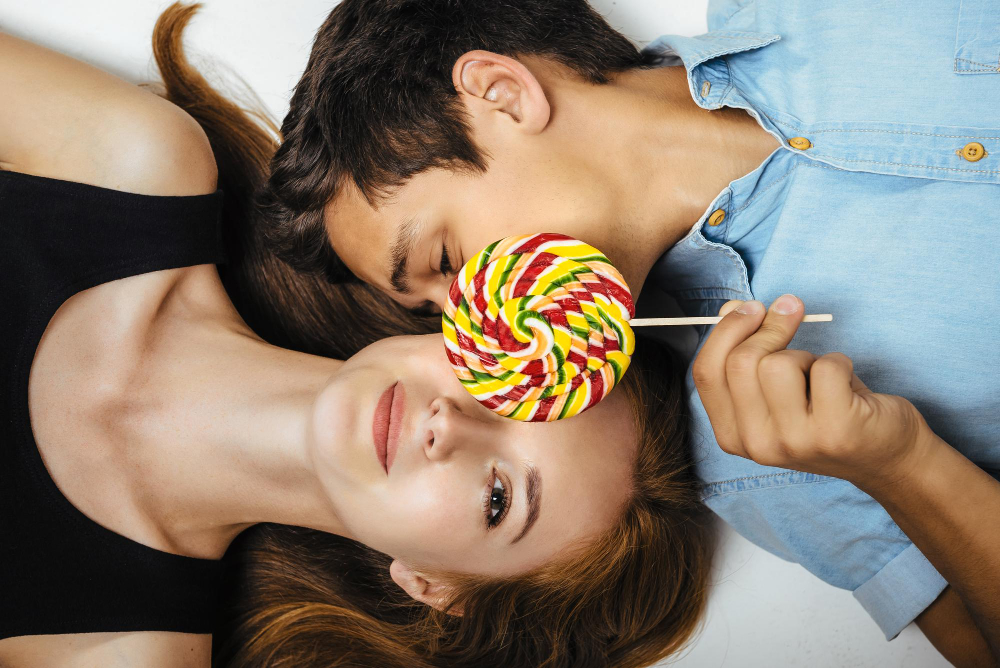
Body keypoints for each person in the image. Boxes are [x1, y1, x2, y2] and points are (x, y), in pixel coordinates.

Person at [258, 0, 1000, 664]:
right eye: (437, 315)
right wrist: (900, 463)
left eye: (445, 263)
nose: (470, 329)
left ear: (501, 95)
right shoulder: (763, 451)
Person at [0, 5, 714, 668]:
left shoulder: (119, 652)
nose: (451, 425)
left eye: (499, 498)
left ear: (434, 586)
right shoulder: (130, 167)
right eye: (510, 383)